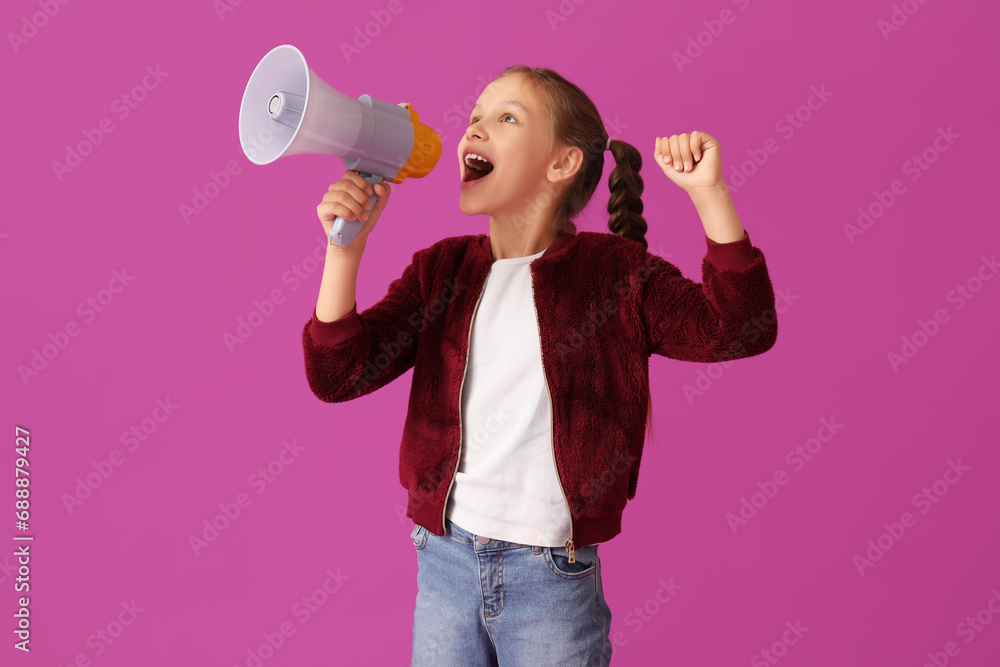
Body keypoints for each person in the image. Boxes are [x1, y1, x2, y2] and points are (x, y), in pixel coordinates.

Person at [302, 65, 778, 666]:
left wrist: (711, 195)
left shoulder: (616, 273)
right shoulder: (440, 270)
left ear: (562, 164)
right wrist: (344, 250)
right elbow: (338, 375)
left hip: (549, 577)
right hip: (443, 559)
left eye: (506, 118)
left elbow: (741, 328)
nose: (475, 126)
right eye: (475, 115)